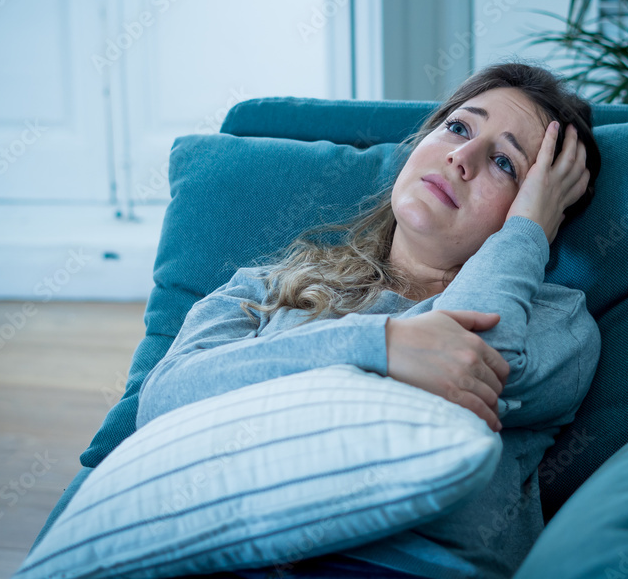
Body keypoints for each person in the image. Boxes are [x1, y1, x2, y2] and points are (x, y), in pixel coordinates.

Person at [135, 61, 603, 579]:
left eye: (503, 163)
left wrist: (526, 231)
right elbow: (162, 403)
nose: (461, 157)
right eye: (458, 127)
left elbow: (457, 375)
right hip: (228, 551)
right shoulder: (268, 286)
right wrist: (380, 346)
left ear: (538, 210)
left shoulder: (556, 320)